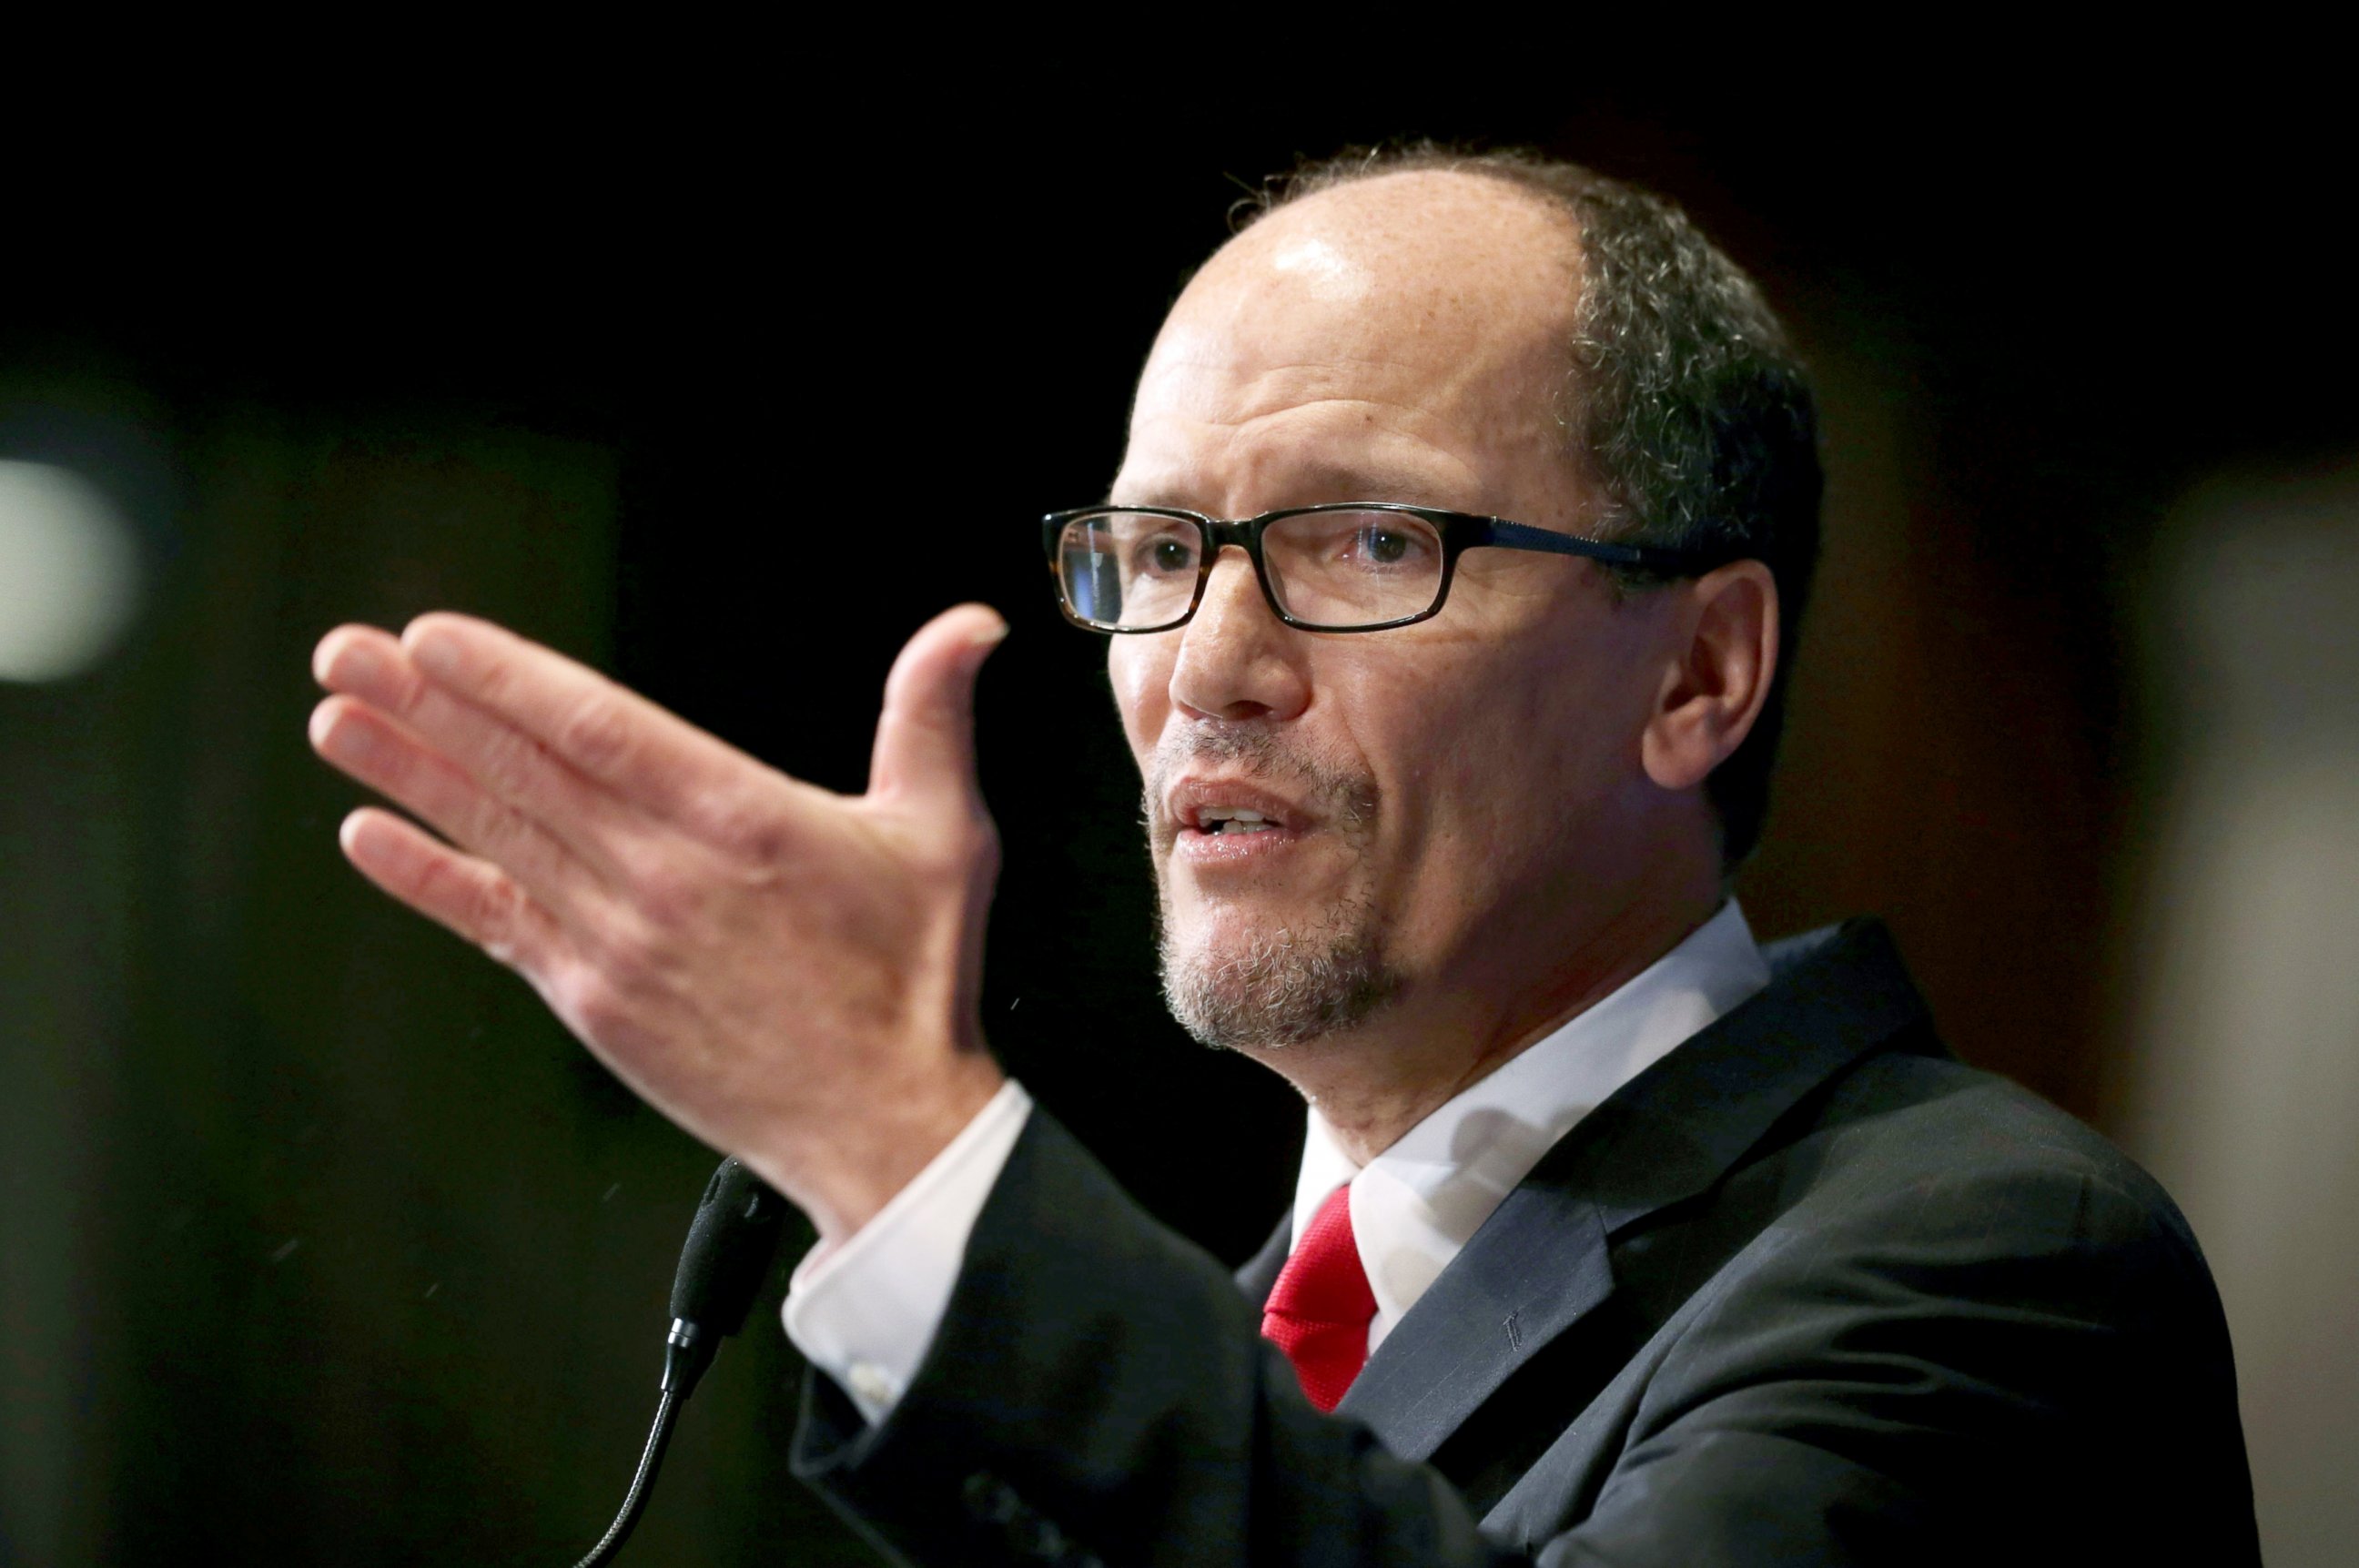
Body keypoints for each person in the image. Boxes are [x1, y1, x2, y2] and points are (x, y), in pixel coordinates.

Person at [306, 147, 2259, 1563]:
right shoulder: (1220, 1348)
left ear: (1699, 668)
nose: (1210, 669)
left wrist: (902, 1152)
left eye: (1365, 545)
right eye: (1158, 557)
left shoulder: (1985, 1266)